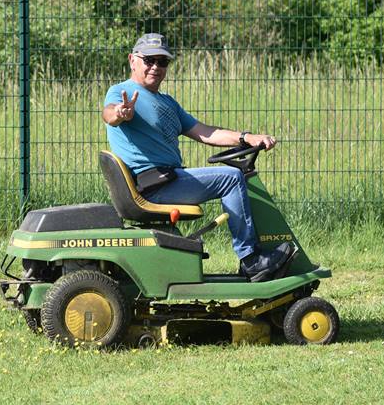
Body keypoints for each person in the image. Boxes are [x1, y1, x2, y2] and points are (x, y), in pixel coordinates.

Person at [102, 33, 293, 281]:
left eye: (163, 62)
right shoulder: (121, 92)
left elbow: (205, 132)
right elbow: (110, 115)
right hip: (154, 187)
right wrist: (120, 113)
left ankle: (252, 258)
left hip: (169, 179)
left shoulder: (167, 102)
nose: (156, 67)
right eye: (149, 60)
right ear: (132, 60)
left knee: (231, 176)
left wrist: (247, 137)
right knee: (232, 178)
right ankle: (251, 260)